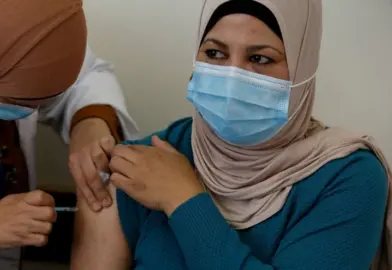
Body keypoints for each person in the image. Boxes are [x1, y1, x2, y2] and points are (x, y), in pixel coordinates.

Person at [70, 0, 392, 269]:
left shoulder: (349, 178)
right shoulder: (138, 165)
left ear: (302, 67)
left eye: (259, 58)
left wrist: (182, 199)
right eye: (215, 54)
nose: (233, 76)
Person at [0, 0, 137, 269]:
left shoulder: (27, 20)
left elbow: (77, 73)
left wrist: (90, 120)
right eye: (14, 101)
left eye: (35, 103)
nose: (30, 112)